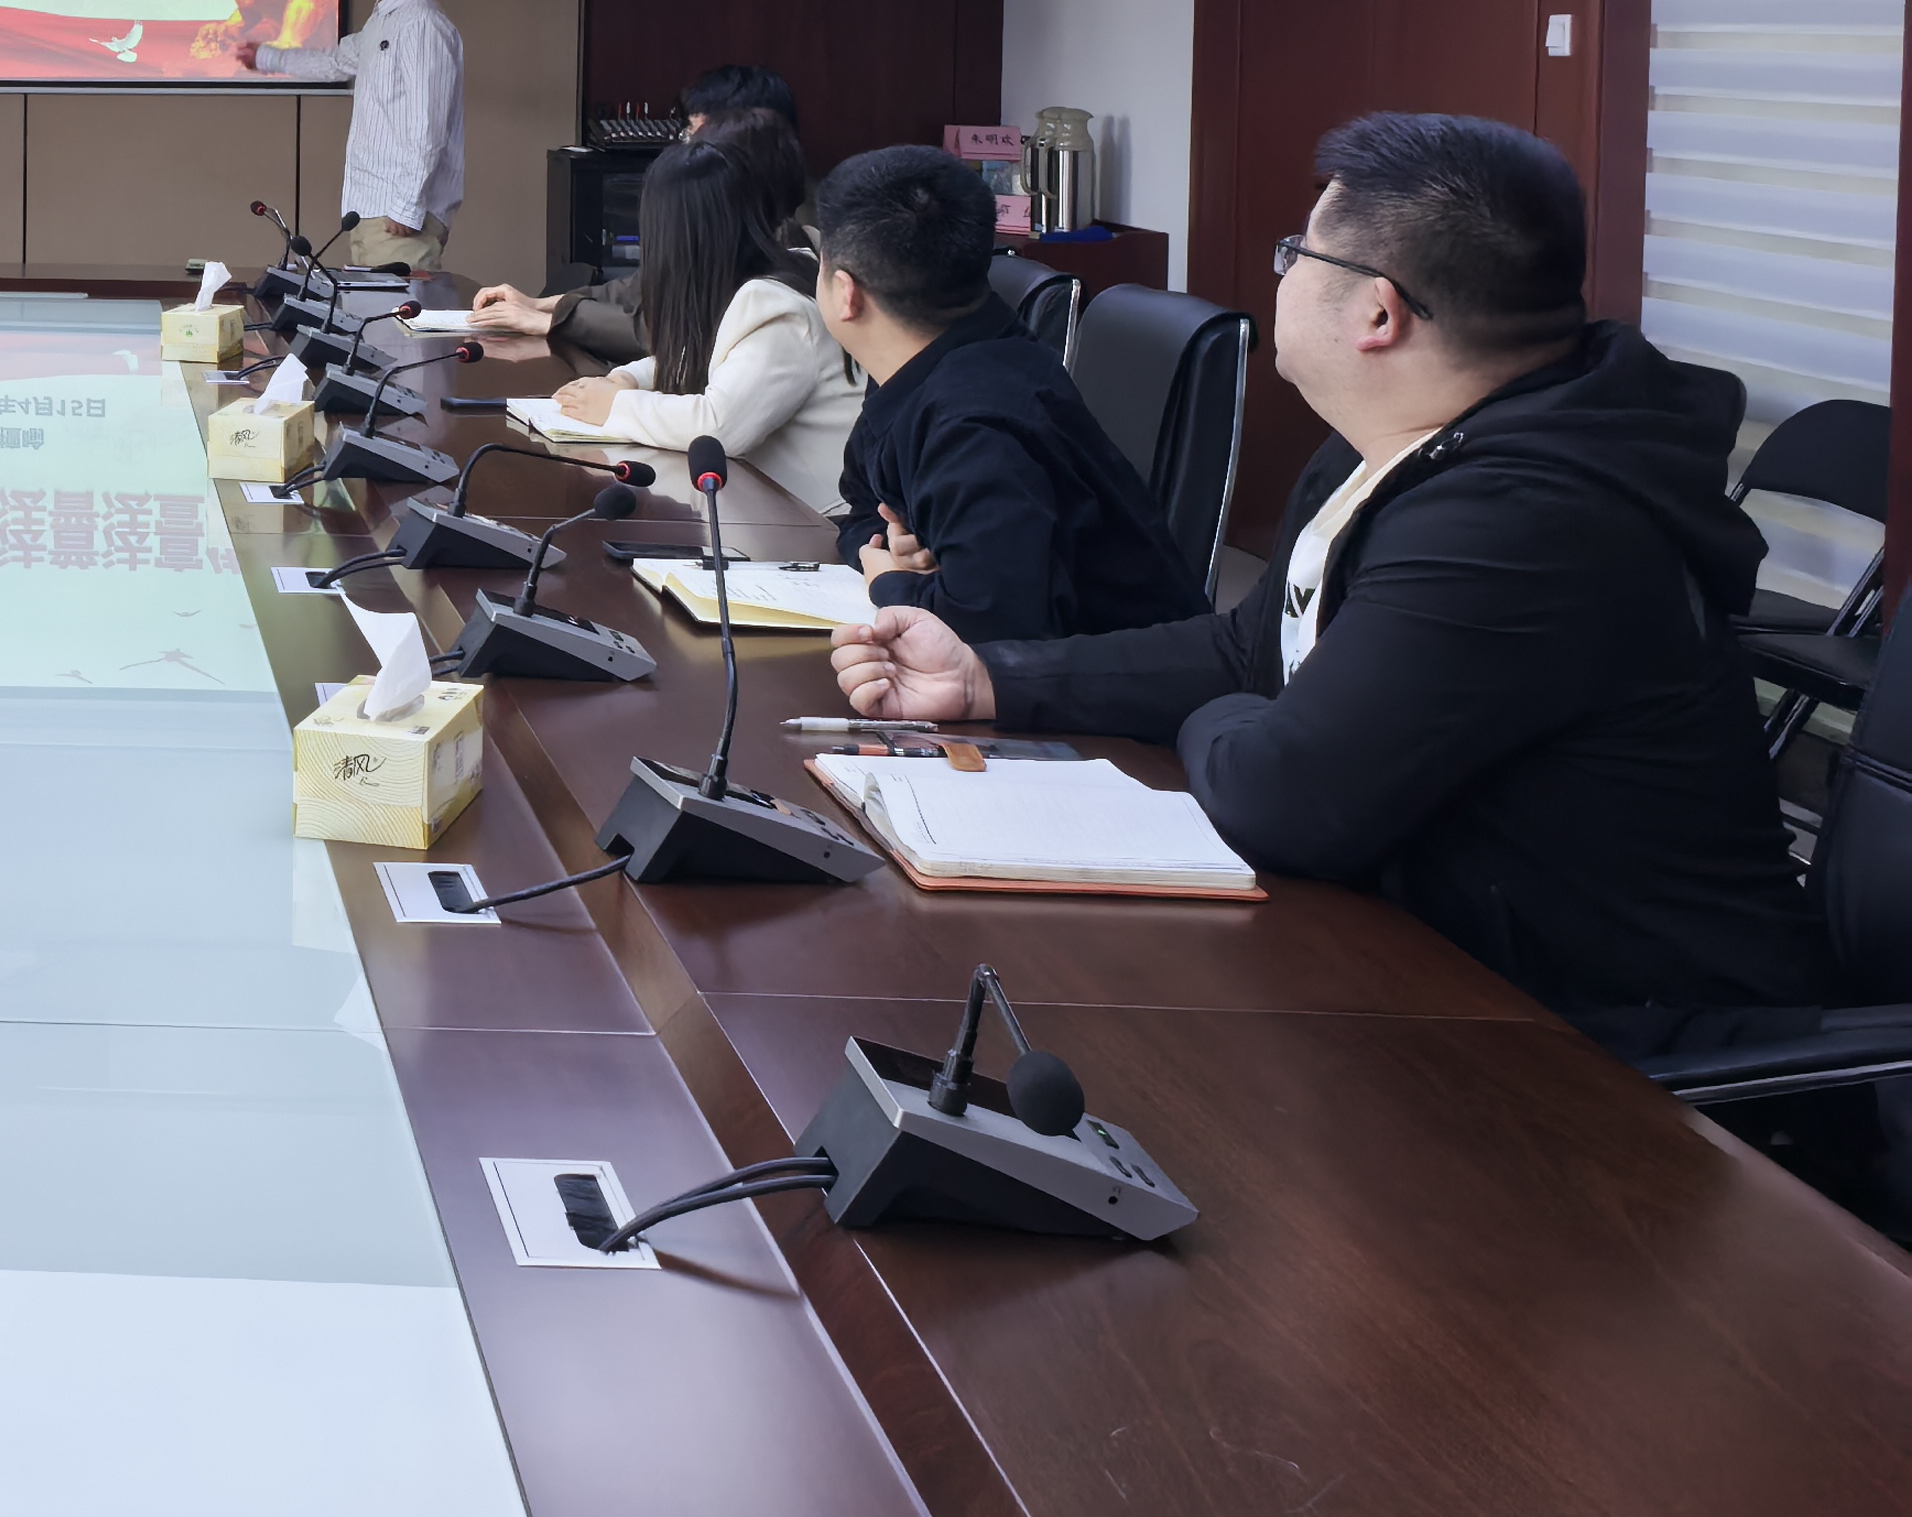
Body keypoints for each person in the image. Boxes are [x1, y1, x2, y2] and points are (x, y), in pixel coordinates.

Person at [832, 113, 1825, 1026]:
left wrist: (1251, 712)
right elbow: (1248, 647)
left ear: (1378, 315)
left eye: (1295, 253)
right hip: (1430, 956)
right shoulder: (1387, 443)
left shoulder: (1524, 523)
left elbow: (1283, 797)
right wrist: (987, 678)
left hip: (1614, 1047)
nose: (1282, 273)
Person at [816, 142, 1203, 642]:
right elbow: (864, 505)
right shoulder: (926, 354)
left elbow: (991, 627)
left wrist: (890, 582)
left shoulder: (973, 427)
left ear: (846, 293)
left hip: (1115, 681)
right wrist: (883, 552)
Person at [545, 137, 861, 516]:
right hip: (774, 513)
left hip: (819, 528)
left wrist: (615, 406)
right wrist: (627, 378)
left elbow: (718, 427)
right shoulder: (755, 280)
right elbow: (700, 359)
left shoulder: (776, 306)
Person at [472, 101, 809, 364]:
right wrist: (540, 306)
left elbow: (665, 334)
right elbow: (636, 290)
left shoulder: (772, 262)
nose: (685, 152)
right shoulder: (730, 234)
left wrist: (550, 322)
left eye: (695, 141)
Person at [243, 0, 464, 274]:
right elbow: (336, 61)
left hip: (399, 217)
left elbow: (428, 125)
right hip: (371, 210)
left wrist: (406, 207)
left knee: (395, 312)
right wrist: (266, 57)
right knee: (367, 309)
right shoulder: (386, 18)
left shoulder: (422, 24)